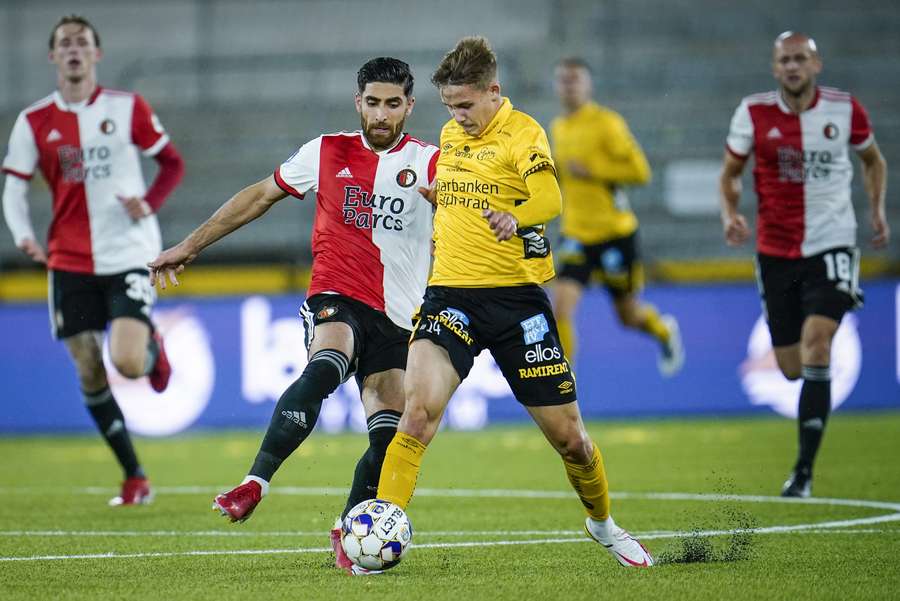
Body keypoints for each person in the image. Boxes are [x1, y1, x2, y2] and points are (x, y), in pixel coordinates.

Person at [147, 57, 438, 574]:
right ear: (359, 102)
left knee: (389, 438)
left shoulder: (432, 164)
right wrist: (191, 245)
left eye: (393, 104)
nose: (381, 113)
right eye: (372, 102)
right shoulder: (325, 151)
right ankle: (255, 482)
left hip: (398, 317)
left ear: (409, 106)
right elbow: (260, 196)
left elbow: (473, 214)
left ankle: (349, 529)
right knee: (328, 360)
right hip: (337, 294)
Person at [374, 37, 654, 568]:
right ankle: (384, 529)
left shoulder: (524, 132)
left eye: (465, 105)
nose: (456, 117)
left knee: (571, 440)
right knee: (416, 413)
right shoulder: (452, 134)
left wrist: (517, 217)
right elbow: (465, 192)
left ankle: (604, 525)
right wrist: (443, 201)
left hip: (517, 303)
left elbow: (550, 197)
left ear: (493, 92)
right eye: (450, 107)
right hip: (450, 296)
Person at [1, 15, 184, 506]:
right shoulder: (33, 121)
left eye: (83, 42)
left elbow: (172, 163)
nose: (74, 50)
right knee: (88, 369)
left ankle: (151, 349)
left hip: (128, 252)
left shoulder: (128, 109)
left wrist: (149, 202)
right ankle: (134, 475)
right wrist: (22, 236)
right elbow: (13, 188)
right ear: (53, 56)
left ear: (96, 54)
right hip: (69, 261)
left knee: (124, 360)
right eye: (65, 43)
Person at [720, 32, 889, 497]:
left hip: (832, 244)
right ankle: (805, 463)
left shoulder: (844, 109)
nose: (792, 66)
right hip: (775, 252)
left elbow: (873, 161)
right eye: (784, 60)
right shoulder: (753, 112)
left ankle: (804, 472)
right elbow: (730, 174)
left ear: (816, 64)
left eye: (800, 58)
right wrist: (730, 213)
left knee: (819, 343)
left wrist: (876, 210)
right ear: (775, 69)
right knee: (792, 367)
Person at [550, 57, 684, 376]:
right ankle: (565, 385)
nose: (569, 86)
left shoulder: (607, 124)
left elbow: (640, 172)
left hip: (614, 234)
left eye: (575, 80)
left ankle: (663, 331)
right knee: (560, 307)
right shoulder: (558, 127)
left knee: (628, 316)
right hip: (576, 234)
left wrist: (593, 171)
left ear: (588, 85)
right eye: (563, 80)